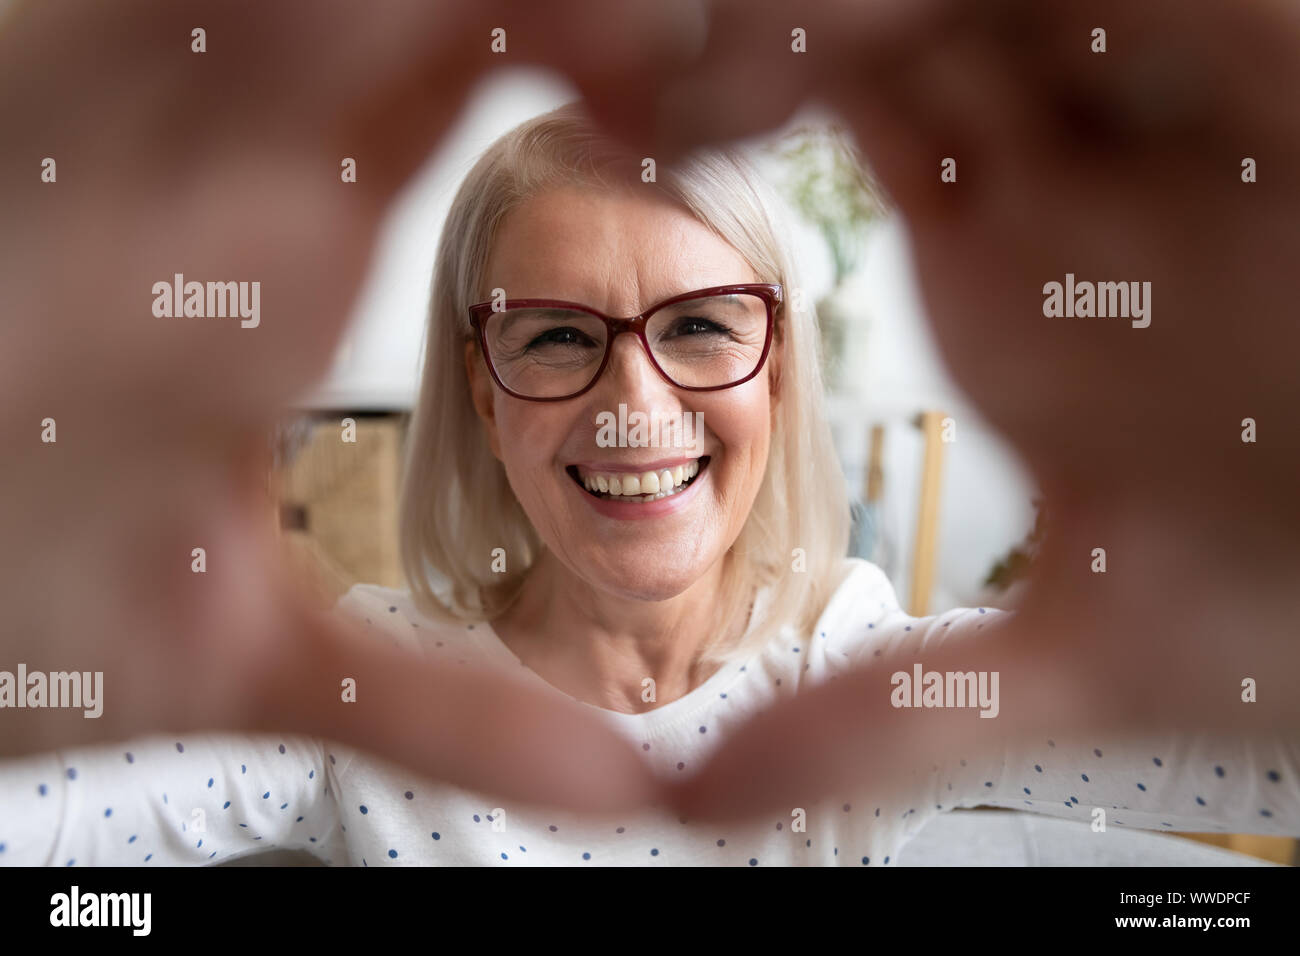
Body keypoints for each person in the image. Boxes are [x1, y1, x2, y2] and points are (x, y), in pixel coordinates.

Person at [1, 0, 1298, 864]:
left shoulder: (873, 658)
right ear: (485, 390)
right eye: (558, 337)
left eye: (699, 327)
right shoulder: (348, 687)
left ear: (778, 370)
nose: (634, 405)